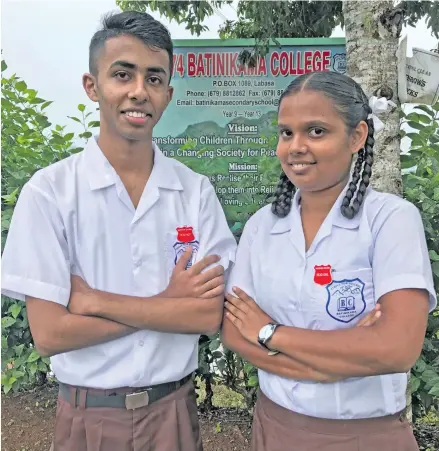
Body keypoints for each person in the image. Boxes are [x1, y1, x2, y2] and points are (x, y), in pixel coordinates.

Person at [1, 11, 237, 451]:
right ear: (93, 86)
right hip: (87, 420)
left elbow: (206, 315)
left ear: (167, 94)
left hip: (173, 415)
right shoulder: (50, 194)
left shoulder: (194, 192)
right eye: (122, 75)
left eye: (153, 78)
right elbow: (51, 333)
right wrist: (167, 303)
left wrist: (94, 303)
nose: (137, 92)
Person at [221, 71, 436, 451]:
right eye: (286, 132)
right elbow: (234, 330)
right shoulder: (262, 226)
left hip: (363, 436)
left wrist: (271, 332)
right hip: (274, 426)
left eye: (316, 131)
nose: (296, 146)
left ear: (357, 137)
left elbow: (397, 348)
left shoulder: (390, 220)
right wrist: (345, 354)